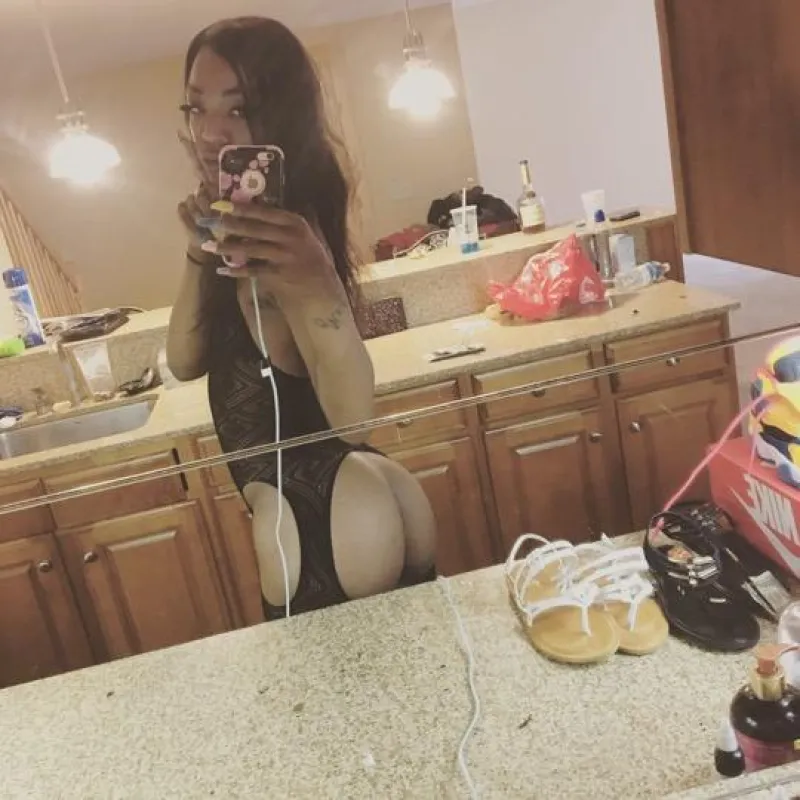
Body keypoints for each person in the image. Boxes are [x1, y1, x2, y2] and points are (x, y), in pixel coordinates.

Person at [167, 17, 436, 620]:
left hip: (322, 513)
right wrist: (197, 247)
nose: (210, 132)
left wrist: (321, 290)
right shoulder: (238, 232)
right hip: (352, 497)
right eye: (197, 107)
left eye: (239, 109)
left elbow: (353, 420)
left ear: (281, 117)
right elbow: (184, 361)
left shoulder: (287, 237)